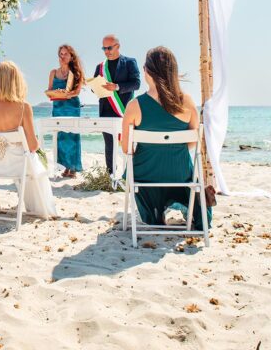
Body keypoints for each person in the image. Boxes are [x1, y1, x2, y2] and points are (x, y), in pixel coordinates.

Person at [120, 46, 212, 229]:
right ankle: (176, 206)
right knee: (184, 169)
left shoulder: (135, 105)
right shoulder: (187, 101)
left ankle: (160, 209)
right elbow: (192, 142)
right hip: (180, 174)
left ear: (147, 71)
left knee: (133, 166)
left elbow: (126, 149)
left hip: (145, 176)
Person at [0, 61, 58, 218]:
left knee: (30, 158)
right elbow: (33, 146)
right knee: (36, 158)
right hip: (17, 167)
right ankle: (40, 209)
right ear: (16, 81)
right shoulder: (23, 107)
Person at [93, 34, 140, 173]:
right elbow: (96, 86)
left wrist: (117, 87)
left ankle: (130, 174)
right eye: (104, 48)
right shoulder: (100, 67)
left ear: (117, 46)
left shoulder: (130, 62)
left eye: (109, 48)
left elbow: (136, 84)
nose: (106, 51)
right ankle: (110, 175)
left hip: (124, 110)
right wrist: (93, 86)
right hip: (106, 110)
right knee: (109, 146)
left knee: (129, 144)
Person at [47, 44, 84, 178]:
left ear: (71, 56)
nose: (63, 57)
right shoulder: (53, 72)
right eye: (61, 54)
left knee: (72, 136)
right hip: (58, 107)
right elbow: (49, 90)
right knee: (60, 137)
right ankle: (64, 167)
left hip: (72, 107)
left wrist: (67, 94)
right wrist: (55, 93)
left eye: (66, 54)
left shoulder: (75, 72)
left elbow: (77, 91)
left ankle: (72, 168)